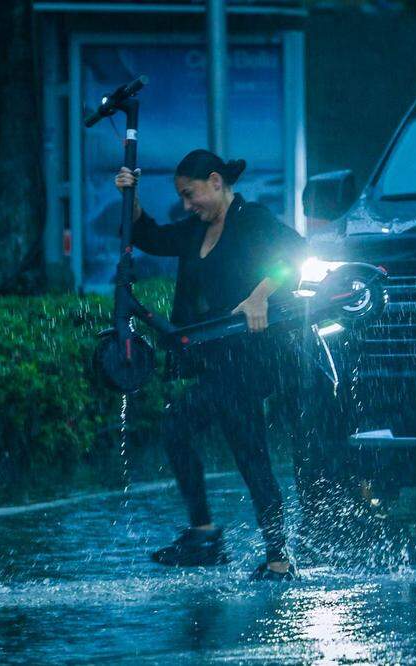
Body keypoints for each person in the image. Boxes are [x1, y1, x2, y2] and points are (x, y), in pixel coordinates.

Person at [114, 149, 306, 581]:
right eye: (182, 197)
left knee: (227, 441)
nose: (187, 205)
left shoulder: (250, 219)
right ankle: (232, 544)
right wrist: (132, 201)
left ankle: (247, 549)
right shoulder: (194, 230)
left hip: (252, 356)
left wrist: (260, 295)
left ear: (216, 182)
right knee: (215, 437)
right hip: (216, 359)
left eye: (191, 194)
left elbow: (295, 253)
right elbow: (152, 238)